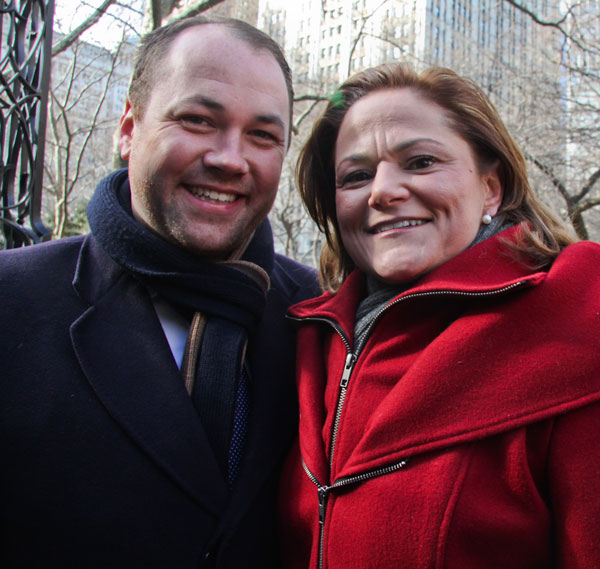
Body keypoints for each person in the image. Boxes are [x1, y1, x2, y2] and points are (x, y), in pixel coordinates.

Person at [0, 16, 319, 569]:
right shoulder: (11, 301)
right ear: (128, 128)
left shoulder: (317, 316)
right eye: (197, 120)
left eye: (263, 135)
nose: (229, 158)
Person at [279, 62, 600, 568]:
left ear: (491, 188)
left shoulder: (580, 324)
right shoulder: (304, 342)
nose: (383, 191)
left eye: (421, 161)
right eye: (356, 175)